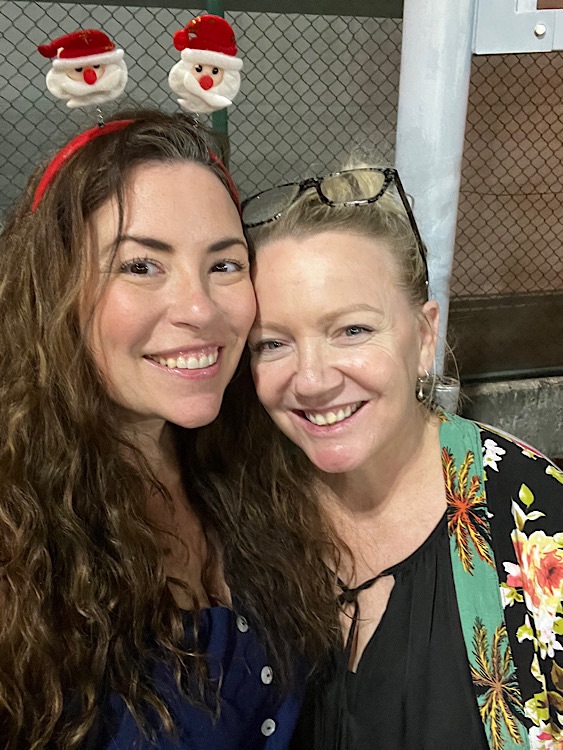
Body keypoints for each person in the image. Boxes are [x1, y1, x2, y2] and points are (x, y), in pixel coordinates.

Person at [204, 166, 563, 750]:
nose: (312, 380)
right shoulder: (240, 510)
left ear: (423, 337)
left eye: (351, 330)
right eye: (273, 343)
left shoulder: (529, 513)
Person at [0, 109, 312, 750]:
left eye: (225, 265)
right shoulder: (16, 534)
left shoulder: (261, 462)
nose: (199, 308)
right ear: (55, 286)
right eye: (141, 266)